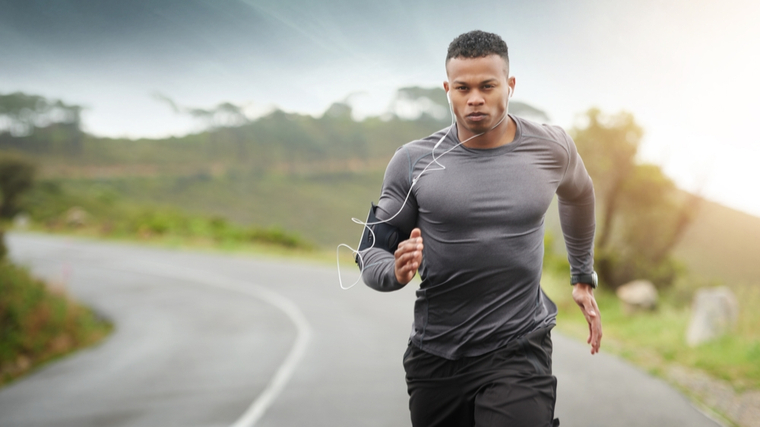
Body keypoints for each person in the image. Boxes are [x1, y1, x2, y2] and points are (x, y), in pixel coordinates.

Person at [359, 30, 602, 427]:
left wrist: (582, 275)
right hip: (437, 356)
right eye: (463, 87)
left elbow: (579, 194)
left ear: (509, 85)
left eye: (487, 86)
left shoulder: (551, 147)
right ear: (447, 89)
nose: (475, 98)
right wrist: (395, 271)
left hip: (519, 348)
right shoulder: (412, 161)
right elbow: (370, 250)